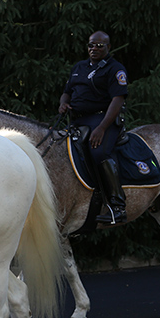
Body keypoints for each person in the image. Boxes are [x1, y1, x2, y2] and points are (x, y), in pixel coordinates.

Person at [58, 31, 128, 225]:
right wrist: (63, 104)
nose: (94, 49)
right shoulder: (79, 67)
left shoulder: (115, 69)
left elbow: (117, 100)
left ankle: (117, 206)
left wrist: (102, 128)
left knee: (98, 153)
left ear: (108, 47)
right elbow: (67, 92)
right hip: (77, 121)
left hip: (103, 120)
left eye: (99, 45)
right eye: (91, 45)